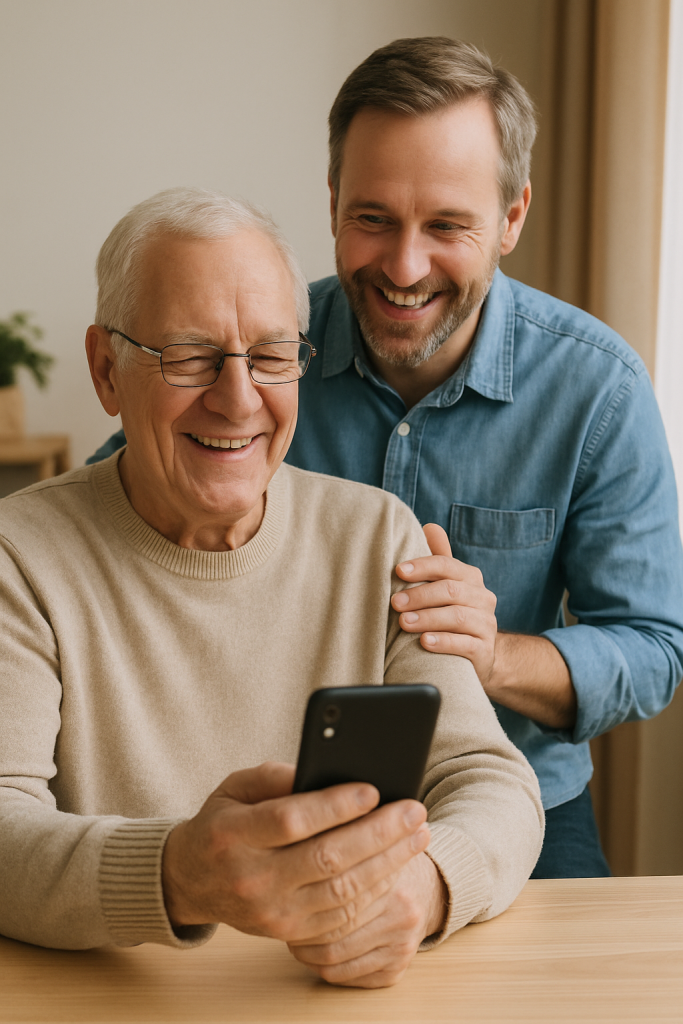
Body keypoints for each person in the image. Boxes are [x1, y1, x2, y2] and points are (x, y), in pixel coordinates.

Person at [91, 38, 683, 879]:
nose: (403, 268)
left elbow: (654, 646)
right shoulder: (257, 355)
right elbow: (110, 513)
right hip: (275, 803)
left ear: (511, 218)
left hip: (518, 800)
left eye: (446, 226)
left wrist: (491, 654)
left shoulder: (599, 388)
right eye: (373, 219)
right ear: (332, 203)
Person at [0, 187, 543, 988]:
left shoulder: (377, 537)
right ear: (106, 371)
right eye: (188, 355)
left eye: (270, 354)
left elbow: (490, 781)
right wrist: (175, 874)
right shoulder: (20, 556)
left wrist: (423, 890)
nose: (238, 396)